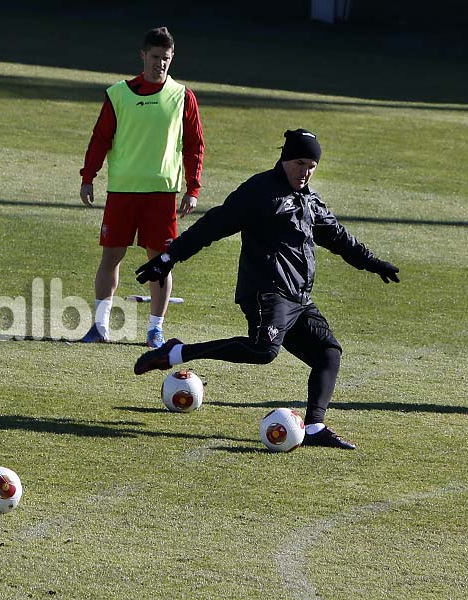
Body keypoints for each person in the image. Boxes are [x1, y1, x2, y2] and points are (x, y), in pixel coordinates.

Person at [132, 129, 400, 449]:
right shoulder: (259, 192)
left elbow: (340, 239)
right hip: (266, 292)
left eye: (312, 166)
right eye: (300, 163)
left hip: (299, 298)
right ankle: (176, 352)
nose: (305, 172)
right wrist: (169, 257)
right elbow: (213, 225)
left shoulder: (310, 202)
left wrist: (374, 263)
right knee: (264, 350)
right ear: (285, 159)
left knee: (328, 353)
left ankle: (314, 427)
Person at [79, 26, 204, 348]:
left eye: (166, 58)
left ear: (172, 58)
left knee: (160, 262)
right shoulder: (118, 94)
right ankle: (100, 327)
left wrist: (193, 189)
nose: (160, 64)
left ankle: (154, 330)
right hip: (122, 191)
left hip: (162, 193)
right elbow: (100, 139)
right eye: (155, 57)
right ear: (143, 56)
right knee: (111, 257)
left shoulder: (182, 97)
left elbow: (194, 146)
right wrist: (88, 177)